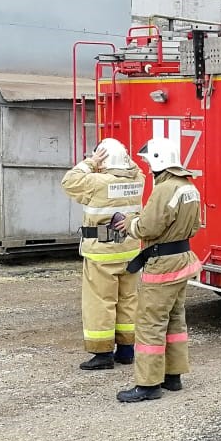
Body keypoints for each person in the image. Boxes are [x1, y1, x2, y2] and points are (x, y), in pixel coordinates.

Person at [111, 137, 202, 404]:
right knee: (175, 320)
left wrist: (127, 223)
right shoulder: (188, 187)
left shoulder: (164, 190)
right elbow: (195, 226)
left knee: (150, 323)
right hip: (182, 261)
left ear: (159, 161)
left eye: (150, 160)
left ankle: (148, 384)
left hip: (162, 265)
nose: (148, 165)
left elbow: (147, 229)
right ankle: (173, 375)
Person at [60, 138, 146, 370]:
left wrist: (90, 162)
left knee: (101, 303)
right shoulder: (138, 179)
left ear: (103, 159)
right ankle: (127, 351)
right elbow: (134, 168)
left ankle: (102, 353)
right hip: (129, 251)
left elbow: (69, 182)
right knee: (128, 300)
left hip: (102, 254)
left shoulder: (97, 181)